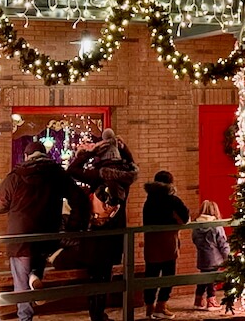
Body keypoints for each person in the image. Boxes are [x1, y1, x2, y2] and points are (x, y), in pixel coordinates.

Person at [0, 140, 91, 321]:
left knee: (20, 284)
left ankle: (25, 317)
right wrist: (72, 226)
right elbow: (80, 200)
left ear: (26, 156)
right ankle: (35, 275)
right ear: (45, 155)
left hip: (19, 238)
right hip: (47, 234)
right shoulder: (57, 174)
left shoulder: (15, 176)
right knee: (38, 259)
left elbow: (0, 205)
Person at [67, 130, 138, 321]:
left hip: (95, 233)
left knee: (94, 276)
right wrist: (125, 149)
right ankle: (100, 314)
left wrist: (90, 152)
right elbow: (133, 166)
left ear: (101, 155)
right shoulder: (126, 177)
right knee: (105, 275)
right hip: (114, 234)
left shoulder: (96, 175)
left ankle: (95, 314)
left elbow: (71, 170)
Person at [143, 171, 191, 320]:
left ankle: (149, 307)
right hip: (168, 243)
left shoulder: (148, 201)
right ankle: (161, 306)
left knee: (151, 275)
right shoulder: (172, 200)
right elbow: (184, 218)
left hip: (151, 243)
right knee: (168, 275)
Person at [192, 200, 230, 309]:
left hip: (202, 257)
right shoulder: (216, 225)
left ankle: (198, 300)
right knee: (212, 280)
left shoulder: (196, 226)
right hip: (214, 258)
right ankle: (211, 300)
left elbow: (194, 240)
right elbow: (222, 243)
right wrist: (227, 257)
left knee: (203, 278)